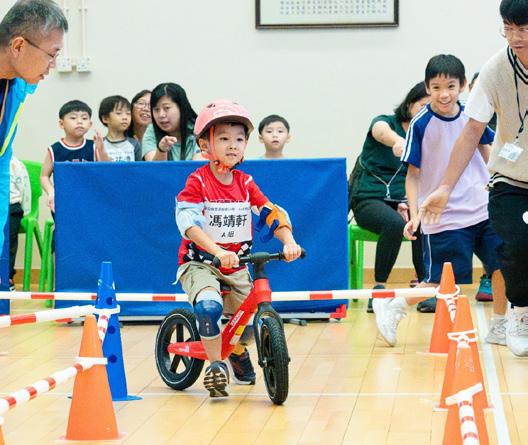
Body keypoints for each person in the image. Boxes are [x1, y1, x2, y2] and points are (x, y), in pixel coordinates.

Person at [373, 54, 507, 348]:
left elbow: (486, 152)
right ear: (427, 87)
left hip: (483, 209)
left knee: (501, 267)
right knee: (440, 281)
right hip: (442, 215)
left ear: (462, 86)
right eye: (436, 88)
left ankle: (500, 325)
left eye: (450, 87)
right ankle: (393, 305)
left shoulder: (473, 115)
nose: (444, 94)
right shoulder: (421, 123)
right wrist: (415, 215)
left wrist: (495, 188)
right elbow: (412, 175)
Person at [420, 0, 528, 357]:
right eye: (508, 28)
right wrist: (445, 187)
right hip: (510, 180)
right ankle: (520, 314)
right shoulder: (496, 70)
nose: (515, 37)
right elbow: (471, 133)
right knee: (516, 245)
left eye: (523, 29)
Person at [175, 100, 302, 397]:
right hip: (201, 263)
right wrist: (217, 251)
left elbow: (270, 212)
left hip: (237, 264)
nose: (232, 145)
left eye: (239, 139)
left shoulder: (245, 183)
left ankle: (237, 351)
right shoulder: (198, 181)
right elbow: (189, 223)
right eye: (223, 138)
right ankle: (216, 367)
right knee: (209, 307)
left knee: (247, 323)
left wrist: (289, 241)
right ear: (205, 145)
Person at [0, 0, 67, 289]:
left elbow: (2, 165)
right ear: (18, 46)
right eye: (52, 54)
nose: (53, 65)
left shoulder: (18, 85)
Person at [349, 82, 428, 313]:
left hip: (402, 200)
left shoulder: (426, 134)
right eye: (422, 106)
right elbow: (380, 131)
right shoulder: (386, 122)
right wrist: (398, 141)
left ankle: (424, 289)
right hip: (368, 199)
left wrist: (407, 204)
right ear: (410, 104)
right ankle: (379, 289)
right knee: (393, 224)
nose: (425, 112)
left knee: (422, 223)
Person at [40, 100, 108, 212]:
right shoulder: (54, 149)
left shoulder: (94, 146)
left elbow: (108, 170)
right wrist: (52, 192)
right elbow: (44, 176)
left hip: (90, 201)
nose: (79, 122)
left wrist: (102, 151)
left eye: (84, 118)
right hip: (64, 202)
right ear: (61, 124)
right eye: (73, 118)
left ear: (90, 124)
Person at [142, 82, 199, 161]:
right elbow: (153, 167)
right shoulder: (151, 131)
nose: (161, 115)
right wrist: (161, 150)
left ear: (181, 108)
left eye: (166, 108)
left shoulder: (199, 130)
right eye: (156, 109)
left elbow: (199, 165)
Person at [9, 156, 30, 291]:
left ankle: (7, 278)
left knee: (8, 241)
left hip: (11, 206)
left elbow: (24, 189)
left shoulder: (14, 164)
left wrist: (25, 211)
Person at [98, 95, 141, 162]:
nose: (125, 117)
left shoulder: (134, 144)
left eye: (128, 113)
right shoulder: (98, 145)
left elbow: (140, 167)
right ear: (105, 118)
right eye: (119, 113)